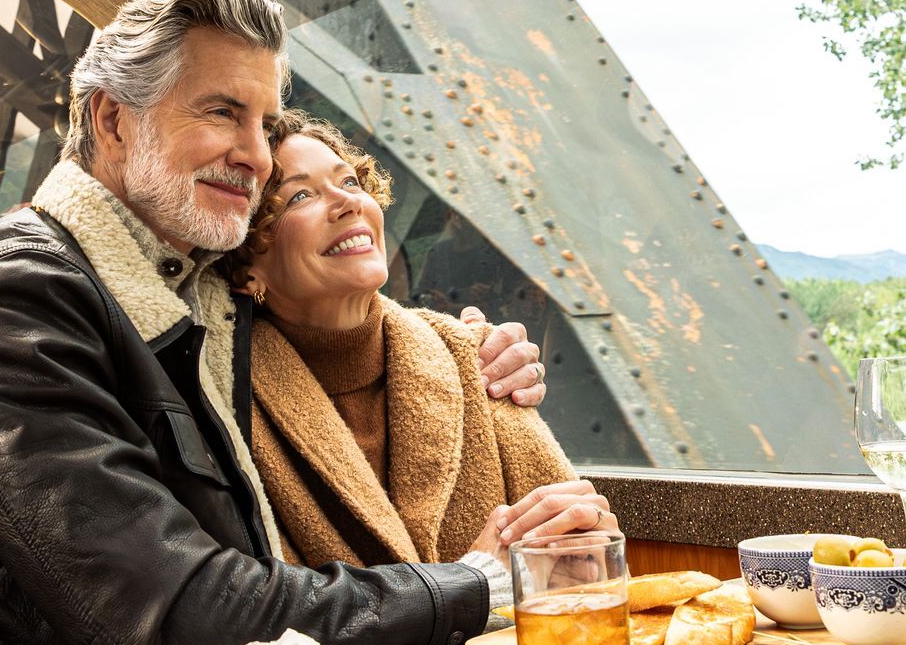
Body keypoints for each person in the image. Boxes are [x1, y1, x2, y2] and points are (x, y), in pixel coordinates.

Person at [0, 0, 589, 645]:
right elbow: (176, 619)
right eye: (221, 112)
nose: (256, 156)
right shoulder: (11, 302)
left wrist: (462, 350)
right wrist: (479, 584)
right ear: (111, 120)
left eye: (266, 124)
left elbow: (329, 338)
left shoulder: (191, 292)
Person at [220, 112, 614, 599]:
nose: (348, 201)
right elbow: (262, 609)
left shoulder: (473, 358)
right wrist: (475, 581)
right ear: (245, 266)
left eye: (349, 181)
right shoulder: (223, 400)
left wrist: (588, 554)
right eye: (300, 195)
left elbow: (583, 565)